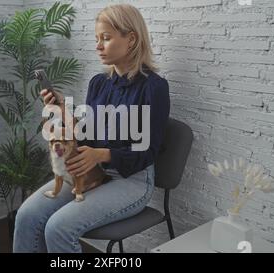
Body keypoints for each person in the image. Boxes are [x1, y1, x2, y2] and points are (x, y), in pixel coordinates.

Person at [13, 3, 170, 253]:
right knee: (26, 216)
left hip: (132, 181)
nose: (98, 46)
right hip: (93, 172)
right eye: (97, 38)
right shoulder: (99, 83)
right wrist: (64, 110)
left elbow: (149, 152)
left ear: (131, 39)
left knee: (58, 228)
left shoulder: (153, 88)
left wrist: (102, 154)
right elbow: (88, 133)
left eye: (105, 38)